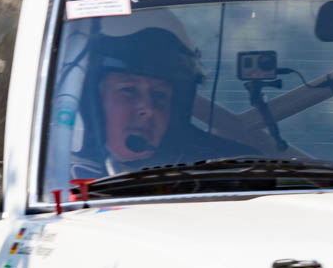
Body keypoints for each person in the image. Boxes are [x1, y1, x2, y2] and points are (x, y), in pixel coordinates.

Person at [70, 11, 257, 180]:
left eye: (159, 94)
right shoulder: (58, 174)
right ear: (92, 102)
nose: (148, 109)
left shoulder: (230, 170)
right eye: (128, 90)